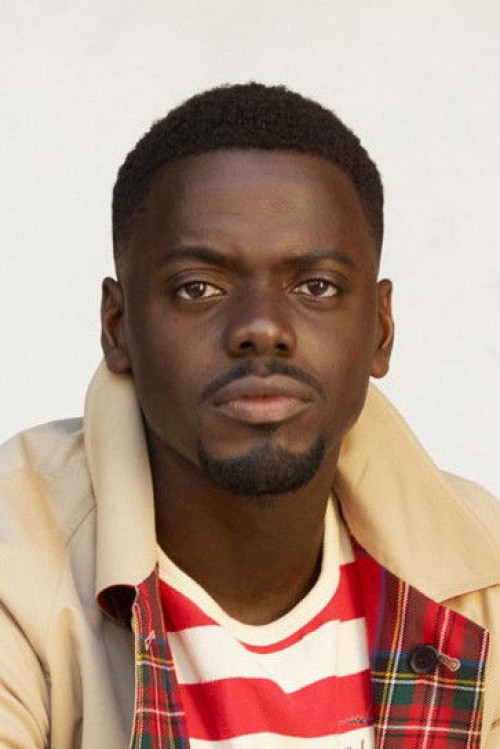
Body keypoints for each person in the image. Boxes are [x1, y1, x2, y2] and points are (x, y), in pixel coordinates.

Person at [0, 83, 499, 749]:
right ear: (117, 326)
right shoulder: (14, 559)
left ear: (380, 330)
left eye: (316, 286)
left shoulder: (484, 576)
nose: (262, 328)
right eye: (198, 288)